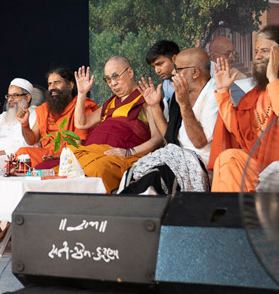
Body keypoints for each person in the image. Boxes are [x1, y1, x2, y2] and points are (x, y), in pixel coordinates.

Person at [129, 48, 218, 193]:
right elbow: (170, 139)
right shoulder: (181, 96)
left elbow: (199, 142)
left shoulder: (214, 94)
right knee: (135, 172)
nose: (174, 73)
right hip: (176, 156)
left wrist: (184, 104)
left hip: (200, 162)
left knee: (155, 177)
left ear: (195, 72)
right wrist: (154, 106)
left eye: (178, 69)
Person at [72, 57, 163, 192]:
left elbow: (158, 139)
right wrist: (81, 93)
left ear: (130, 73)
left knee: (95, 170)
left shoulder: (146, 99)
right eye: (108, 79)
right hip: (92, 152)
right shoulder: (110, 103)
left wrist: (129, 152)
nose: (113, 83)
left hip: (119, 157)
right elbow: (81, 123)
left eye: (116, 77)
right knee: (64, 165)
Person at [210, 25, 279, 192]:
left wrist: (273, 78)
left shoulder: (274, 87)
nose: (258, 57)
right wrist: (223, 91)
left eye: (264, 50)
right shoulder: (254, 95)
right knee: (228, 159)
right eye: (256, 52)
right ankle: (228, 215)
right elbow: (237, 129)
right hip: (259, 164)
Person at [16, 68, 99, 169]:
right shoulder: (44, 109)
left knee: (23, 158)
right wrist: (25, 125)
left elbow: (78, 145)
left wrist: (59, 156)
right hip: (47, 155)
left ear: (70, 85)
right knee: (23, 153)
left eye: (57, 83)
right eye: (50, 84)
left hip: (71, 156)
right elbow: (31, 140)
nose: (52, 87)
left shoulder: (82, 107)